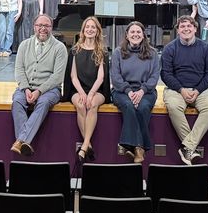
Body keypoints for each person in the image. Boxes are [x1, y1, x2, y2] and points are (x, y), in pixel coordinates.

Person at [161, 15, 208, 165]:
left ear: (195, 29)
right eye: (182, 27)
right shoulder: (169, 49)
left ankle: (187, 147)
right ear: (178, 30)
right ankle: (191, 148)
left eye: (189, 26)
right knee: (173, 106)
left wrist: (197, 90)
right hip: (176, 89)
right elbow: (166, 74)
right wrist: (181, 90)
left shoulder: (205, 48)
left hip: (200, 89)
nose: (186, 29)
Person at [11, 14, 67, 156]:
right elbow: (19, 70)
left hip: (50, 90)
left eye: (46, 26)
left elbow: (58, 77)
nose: (43, 29)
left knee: (43, 102)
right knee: (17, 101)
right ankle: (24, 142)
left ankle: (20, 140)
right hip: (26, 87)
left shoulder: (59, 48)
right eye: (39, 25)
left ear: (51, 28)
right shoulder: (24, 45)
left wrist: (39, 91)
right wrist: (25, 89)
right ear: (34, 27)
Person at [110, 21, 160, 163]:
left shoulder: (153, 53)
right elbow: (116, 77)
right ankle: (139, 147)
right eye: (132, 32)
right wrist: (129, 92)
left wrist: (142, 91)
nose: (135, 34)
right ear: (127, 35)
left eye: (138, 32)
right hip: (122, 91)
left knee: (143, 106)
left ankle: (127, 144)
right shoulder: (118, 53)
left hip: (146, 91)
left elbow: (154, 77)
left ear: (144, 35)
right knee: (129, 105)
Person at [65, 17, 110, 162]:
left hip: (97, 90)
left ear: (97, 31)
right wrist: (83, 93)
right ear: (83, 30)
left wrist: (90, 94)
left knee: (92, 105)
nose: (90, 30)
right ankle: (87, 145)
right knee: (80, 104)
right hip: (78, 89)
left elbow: (101, 78)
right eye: (87, 27)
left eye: (93, 27)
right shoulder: (75, 50)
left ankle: (84, 145)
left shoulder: (102, 51)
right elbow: (73, 77)